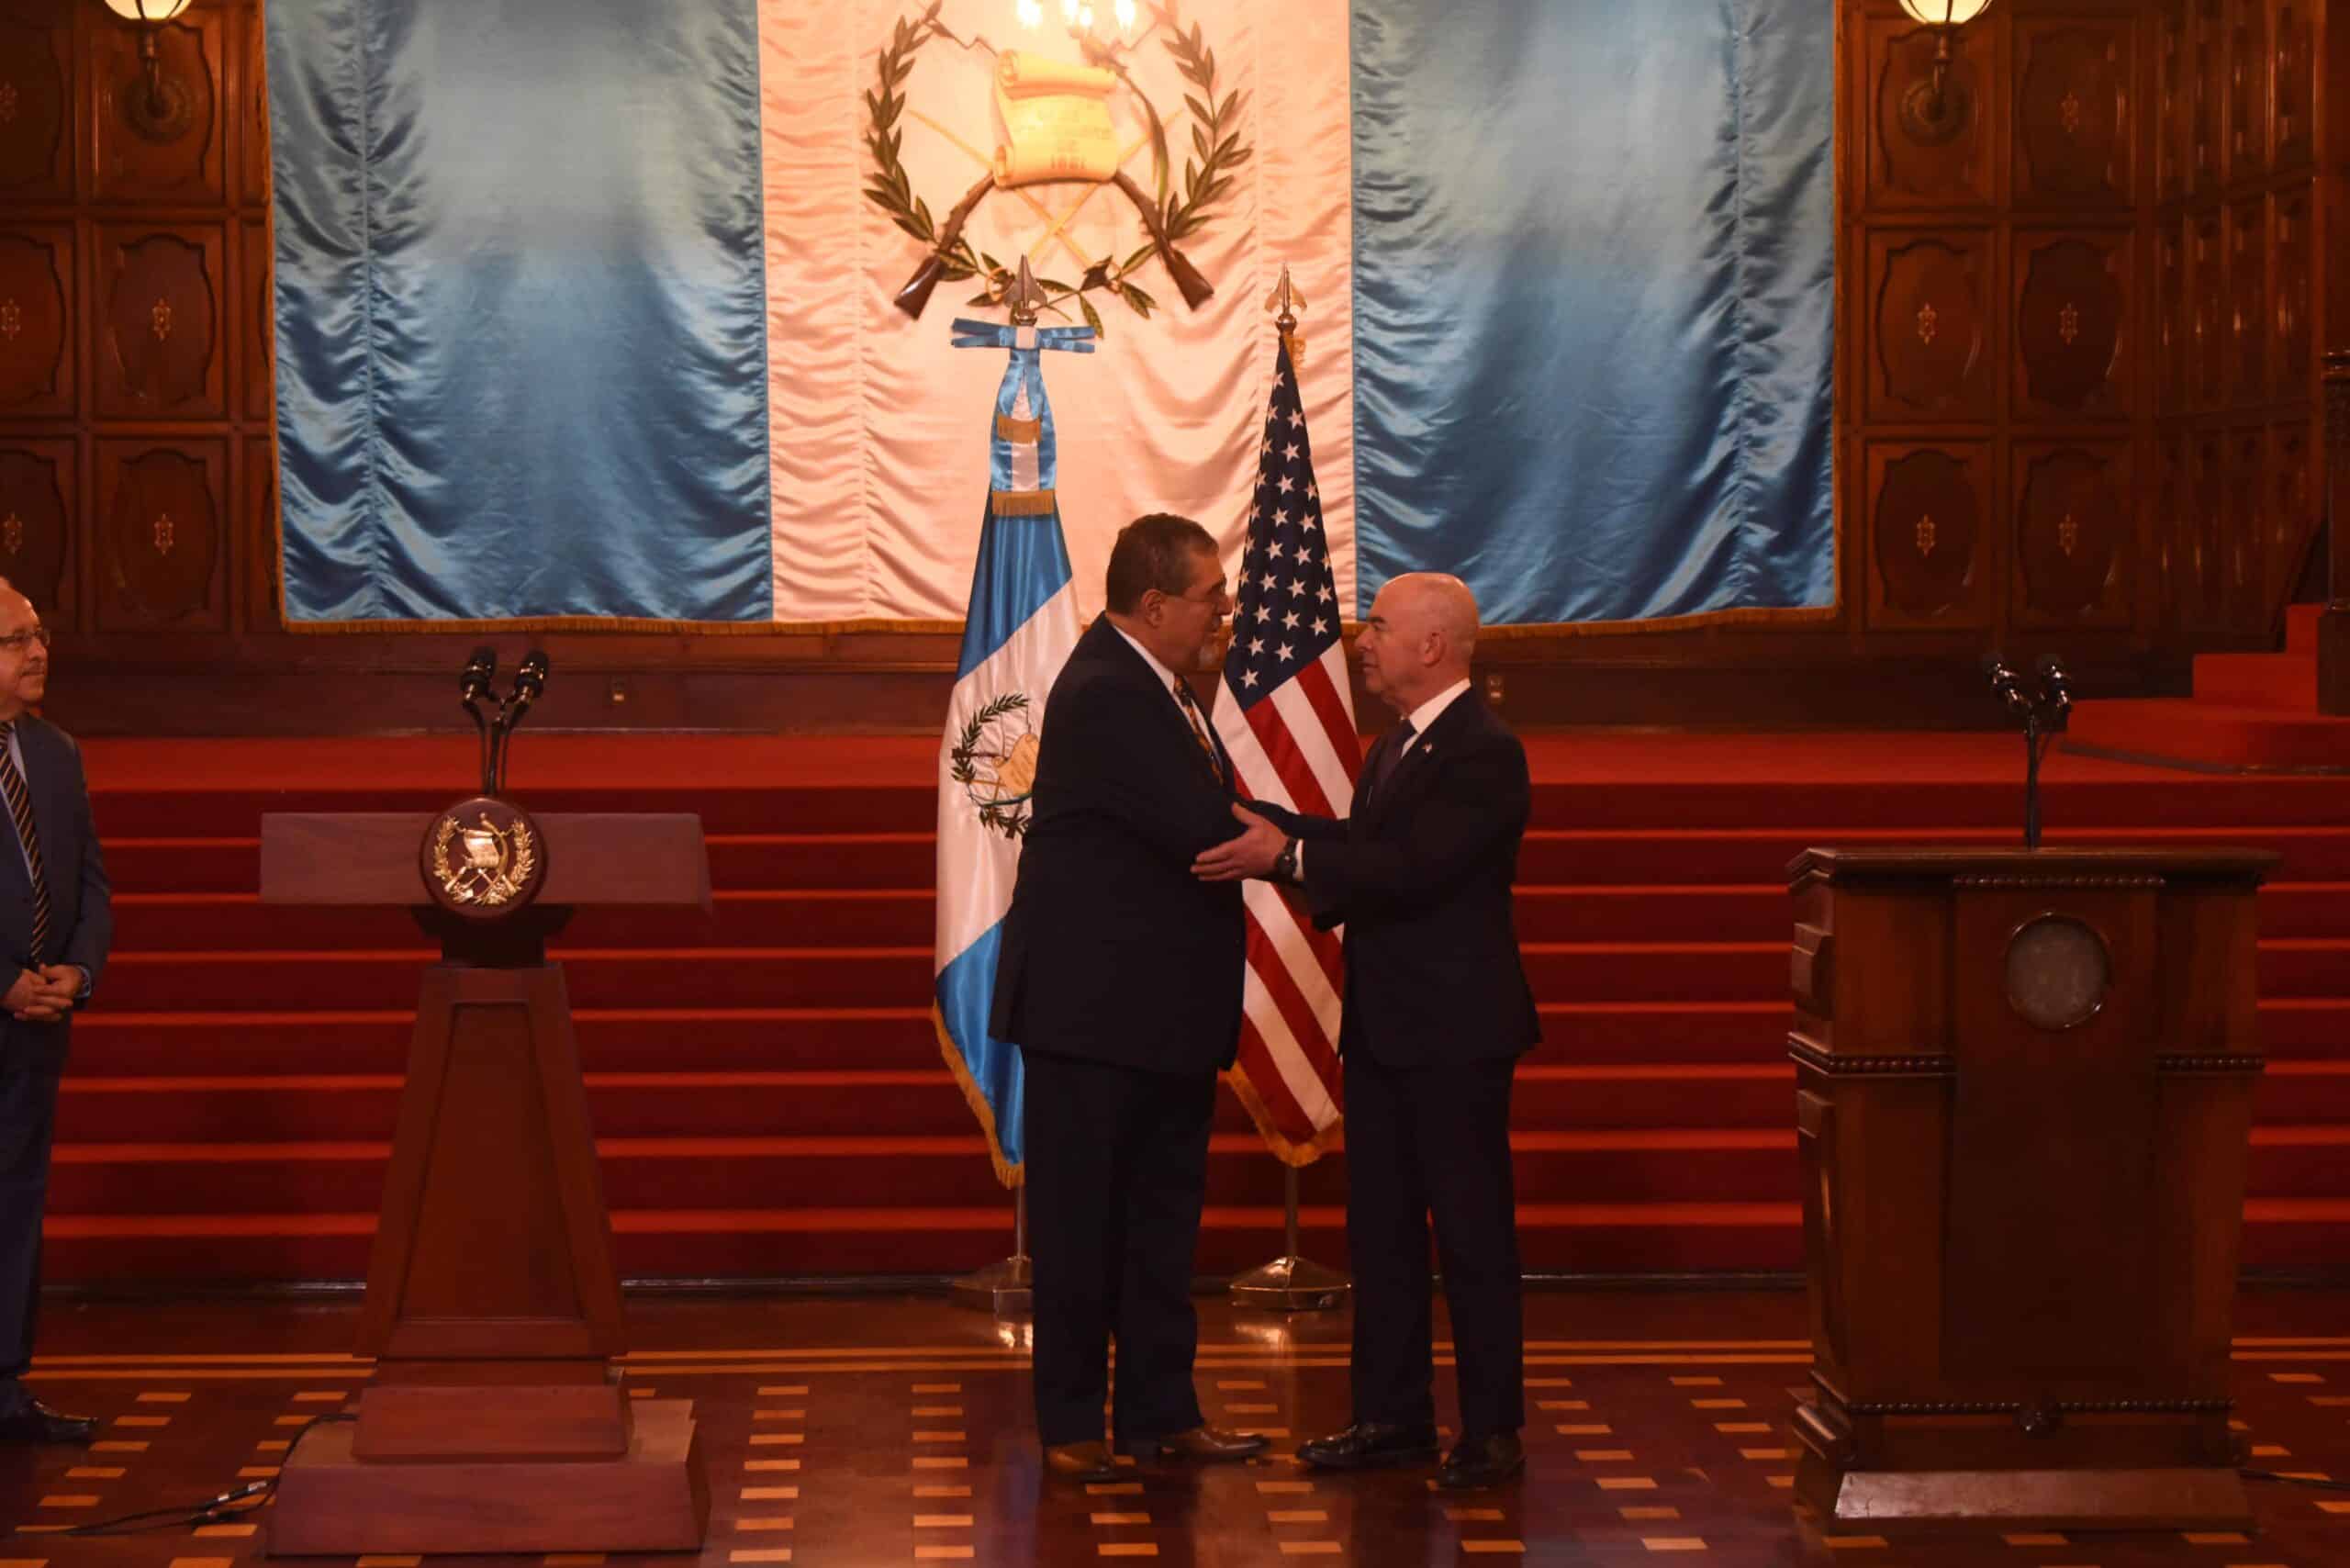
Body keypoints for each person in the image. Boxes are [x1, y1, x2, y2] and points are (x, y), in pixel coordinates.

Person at [1194, 572, 1539, 1490]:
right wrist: (1270, 826)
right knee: (1381, 1232)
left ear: (1432, 646)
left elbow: (1414, 868)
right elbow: (1359, 839)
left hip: (1456, 1033)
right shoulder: (1399, 744)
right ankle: (1391, 1415)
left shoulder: (1483, 751)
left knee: (1468, 1233)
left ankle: (1492, 1429)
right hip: (1386, 1027)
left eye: (1379, 627)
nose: (1362, 642)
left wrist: (1288, 856)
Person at [991, 513, 1269, 1482]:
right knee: (1082, 1227)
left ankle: (1160, 1410)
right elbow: (1200, 826)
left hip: (1156, 1015)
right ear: (1153, 605)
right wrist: (1315, 851)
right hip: (1095, 1016)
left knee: (1158, 1224)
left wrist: (1304, 842)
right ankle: (1072, 1424)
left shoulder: (1158, 685)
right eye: (1211, 596)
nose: (1225, 612)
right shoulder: (1112, 687)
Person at [0, 581, 111, 1444]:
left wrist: (77, 967)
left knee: (16, 1202)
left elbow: (90, 884)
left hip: (40, 1023)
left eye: (40, 633)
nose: (39, 653)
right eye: (15, 641)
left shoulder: (56, 752)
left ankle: (5, 1388)